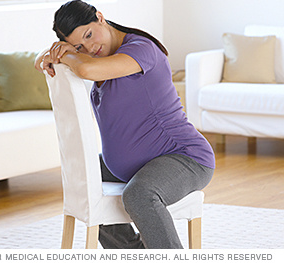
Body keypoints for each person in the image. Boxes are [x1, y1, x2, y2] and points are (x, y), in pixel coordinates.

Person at [34, 0, 215, 249]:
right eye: (79, 45)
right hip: (134, 166)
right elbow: (40, 60)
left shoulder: (142, 49)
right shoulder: (97, 60)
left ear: (100, 17)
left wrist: (68, 53)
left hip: (184, 157)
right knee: (84, 176)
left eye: (89, 34)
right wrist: (54, 54)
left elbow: (86, 69)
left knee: (140, 196)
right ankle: (136, 252)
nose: (90, 47)